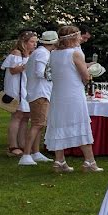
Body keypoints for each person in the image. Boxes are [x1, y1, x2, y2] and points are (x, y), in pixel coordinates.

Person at [45, 25, 101, 173]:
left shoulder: (54, 53)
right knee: (80, 124)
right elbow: (85, 76)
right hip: (73, 94)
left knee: (59, 124)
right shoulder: (75, 53)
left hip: (57, 94)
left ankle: (59, 161)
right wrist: (89, 76)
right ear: (73, 37)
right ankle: (89, 161)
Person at [19, 31, 58, 166]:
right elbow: (40, 72)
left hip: (40, 92)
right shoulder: (42, 53)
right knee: (37, 124)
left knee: (40, 123)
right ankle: (26, 154)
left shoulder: (42, 52)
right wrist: (57, 74)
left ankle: (35, 152)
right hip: (39, 93)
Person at [1, 31, 36, 157]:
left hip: (25, 89)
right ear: (24, 42)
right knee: (17, 115)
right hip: (16, 89)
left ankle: (22, 144)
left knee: (26, 116)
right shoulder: (17, 53)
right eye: (32, 42)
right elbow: (13, 70)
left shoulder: (30, 54)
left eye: (35, 42)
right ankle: (13, 145)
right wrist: (27, 65)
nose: (34, 44)